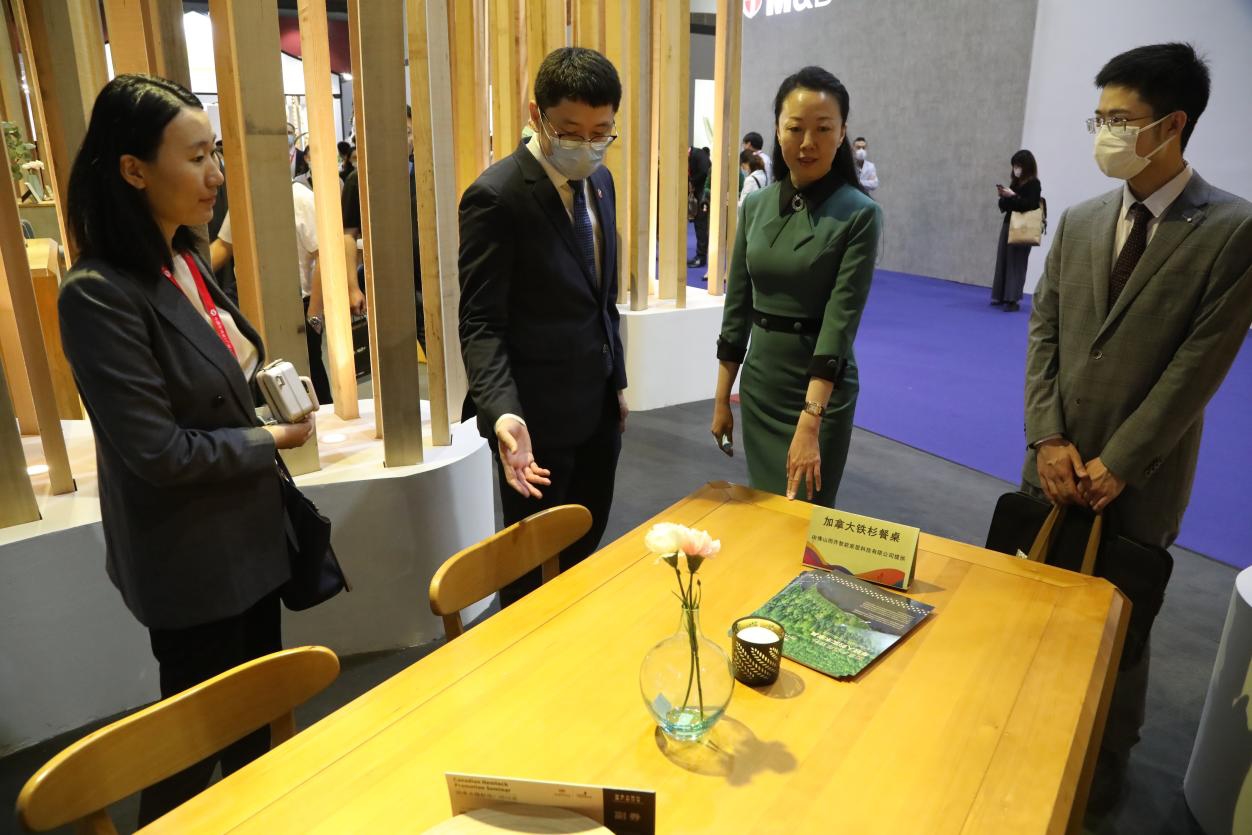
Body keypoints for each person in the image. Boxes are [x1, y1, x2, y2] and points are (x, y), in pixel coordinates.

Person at [57, 74, 315, 824]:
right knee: (191, 747)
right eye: (197, 157)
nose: (215, 175)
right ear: (133, 169)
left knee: (255, 732)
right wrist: (270, 436)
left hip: (249, 540)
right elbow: (158, 452)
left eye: (215, 153)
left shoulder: (184, 257)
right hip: (193, 560)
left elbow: (217, 377)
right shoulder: (98, 292)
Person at [1022, 42, 1252, 815]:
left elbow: (1198, 366)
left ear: (1172, 125)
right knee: (1038, 596)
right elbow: (1044, 333)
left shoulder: (1231, 229)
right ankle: (1029, 728)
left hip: (1141, 477)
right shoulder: (1082, 220)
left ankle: (1106, 759)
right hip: (1054, 462)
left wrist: (1120, 459)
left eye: (1120, 120)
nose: (1105, 134)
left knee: (1123, 623)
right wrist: (1047, 436)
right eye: (1100, 119)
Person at [459, 46, 628, 606]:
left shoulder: (601, 183)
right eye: (571, 131)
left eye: (601, 132)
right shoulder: (497, 197)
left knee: (586, 548)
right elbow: (481, 322)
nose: (587, 145)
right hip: (534, 429)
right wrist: (503, 413)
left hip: (598, 411)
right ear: (537, 115)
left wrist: (617, 381)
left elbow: (601, 299)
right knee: (532, 572)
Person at [713, 67, 881, 507]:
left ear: (842, 133)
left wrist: (811, 420)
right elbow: (737, 308)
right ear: (777, 129)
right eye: (795, 128)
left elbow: (840, 323)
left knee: (804, 514)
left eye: (823, 129)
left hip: (819, 394)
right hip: (761, 385)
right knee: (766, 514)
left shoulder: (860, 214)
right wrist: (722, 398)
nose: (808, 142)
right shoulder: (755, 206)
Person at [211, 180, 365, 404]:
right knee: (264, 376)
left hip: (296, 303)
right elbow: (224, 245)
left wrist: (314, 315)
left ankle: (320, 419)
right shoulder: (245, 196)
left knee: (308, 377)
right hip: (251, 301)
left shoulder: (301, 198)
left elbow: (325, 256)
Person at [340, 109, 424, 350]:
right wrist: (352, 288)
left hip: (426, 284)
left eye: (407, 131)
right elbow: (348, 235)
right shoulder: (360, 180)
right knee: (390, 356)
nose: (402, 138)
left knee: (440, 353)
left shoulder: (426, 174)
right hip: (383, 287)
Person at [990, 149, 1042, 311]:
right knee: (1003, 259)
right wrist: (1005, 197)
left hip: (1023, 228)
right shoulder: (1015, 183)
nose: (1015, 169)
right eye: (1014, 166)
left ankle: (1012, 299)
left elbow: (1030, 205)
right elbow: (1004, 206)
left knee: (1016, 263)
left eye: (1018, 166)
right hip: (1008, 224)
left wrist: (1012, 197)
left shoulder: (1034, 184)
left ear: (1026, 166)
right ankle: (1000, 295)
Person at [688, 146, 711, 268]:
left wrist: (691, 182)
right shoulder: (695, 155)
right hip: (700, 195)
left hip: (704, 196)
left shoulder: (699, 154)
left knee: (701, 225)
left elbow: (704, 172)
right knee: (699, 225)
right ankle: (700, 255)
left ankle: (701, 257)